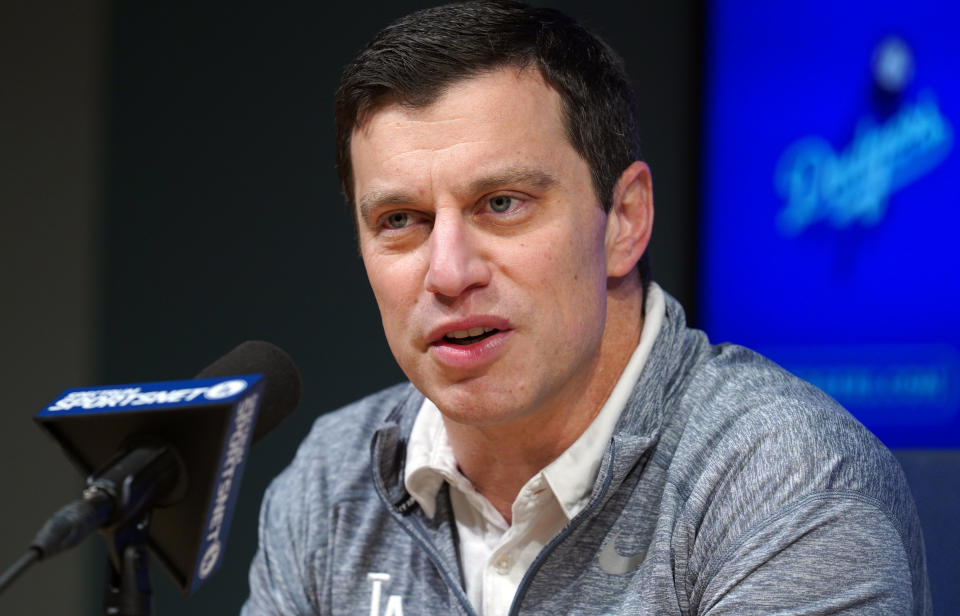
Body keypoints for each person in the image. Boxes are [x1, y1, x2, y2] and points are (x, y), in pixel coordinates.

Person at [242, 2, 931, 614]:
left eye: (502, 204)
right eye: (401, 219)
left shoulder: (784, 480)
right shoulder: (333, 479)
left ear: (624, 221)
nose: (448, 273)